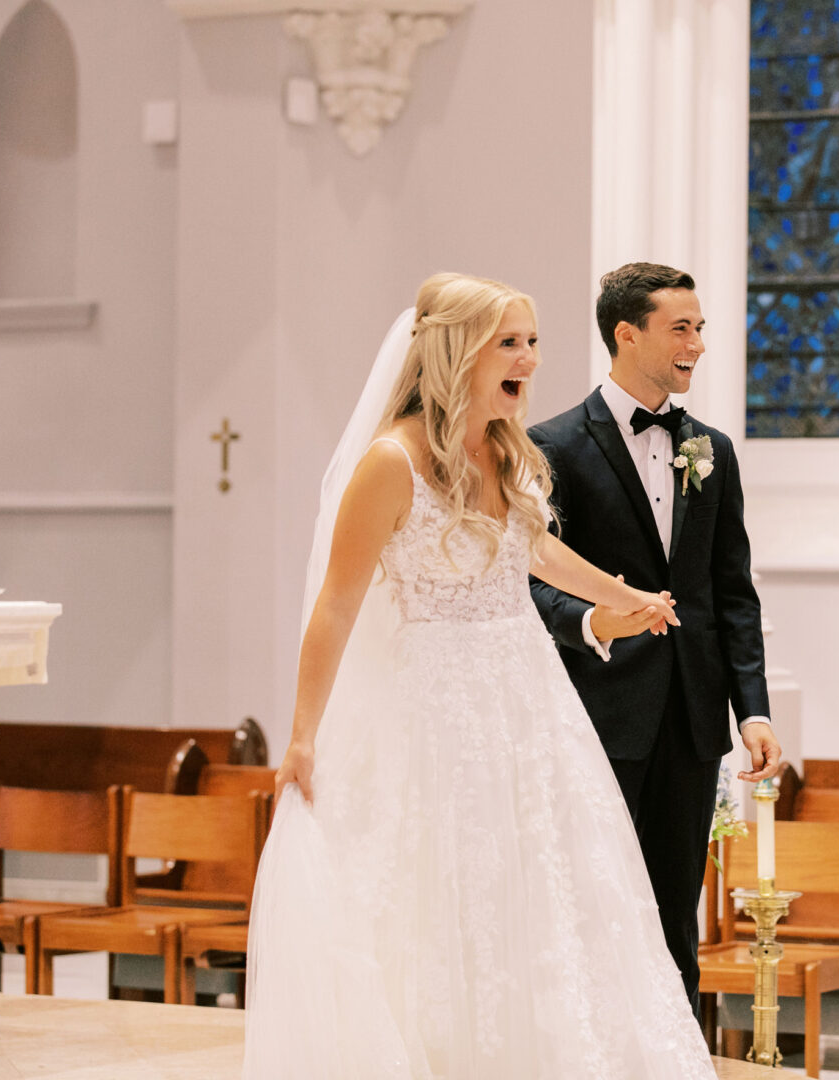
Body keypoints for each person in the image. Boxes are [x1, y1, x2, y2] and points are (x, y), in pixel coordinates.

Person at [243, 273, 718, 1079]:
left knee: (549, 886)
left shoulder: (505, 449)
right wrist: (301, 735)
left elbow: (536, 549)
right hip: (436, 707)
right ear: (458, 350)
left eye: (532, 342)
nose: (530, 359)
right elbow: (336, 606)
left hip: (528, 698)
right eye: (511, 343)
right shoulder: (390, 463)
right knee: (445, 890)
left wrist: (624, 595)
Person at [527, 262, 784, 1011]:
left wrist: (754, 713)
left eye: (700, 328)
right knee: (594, 904)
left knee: (676, 915)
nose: (698, 344)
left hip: (692, 722)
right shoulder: (552, 447)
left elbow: (731, 594)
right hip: (599, 715)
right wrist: (591, 623)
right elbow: (529, 581)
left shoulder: (713, 450)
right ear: (626, 333)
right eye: (682, 328)